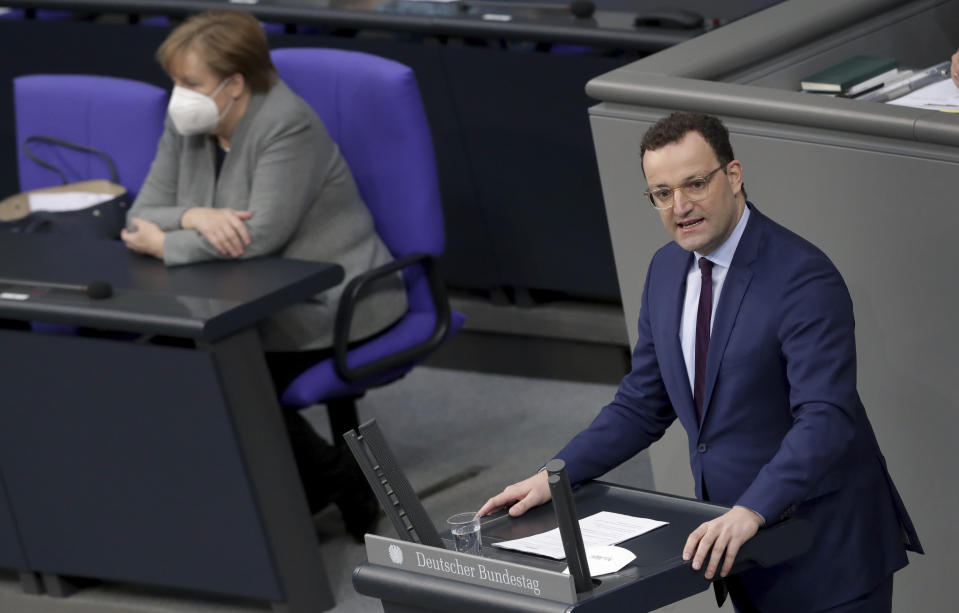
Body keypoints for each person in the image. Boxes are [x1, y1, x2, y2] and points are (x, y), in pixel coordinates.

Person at [478, 112, 922, 612]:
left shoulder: (803, 278)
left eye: (694, 184)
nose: (680, 207)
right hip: (740, 547)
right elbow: (642, 404)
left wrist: (752, 509)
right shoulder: (666, 270)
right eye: (662, 193)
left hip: (825, 551)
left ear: (733, 176)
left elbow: (826, 418)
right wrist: (552, 478)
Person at [121, 10, 408, 540]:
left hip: (330, 300)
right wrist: (193, 217)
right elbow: (144, 210)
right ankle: (291, 485)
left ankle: (335, 482)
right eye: (175, 82)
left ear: (234, 84)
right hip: (234, 293)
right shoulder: (189, 120)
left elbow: (260, 237)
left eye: (190, 84)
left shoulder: (286, 124)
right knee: (158, 359)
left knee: (222, 376)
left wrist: (167, 242)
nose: (178, 95)